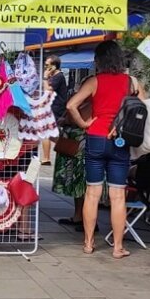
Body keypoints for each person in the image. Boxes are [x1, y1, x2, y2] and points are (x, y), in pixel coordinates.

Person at [65, 40, 145, 258]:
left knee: (92, 193)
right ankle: (118, 247)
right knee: (118, 196)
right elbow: (144, 108)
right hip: (120, 140)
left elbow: (71, 105)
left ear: (98, 60)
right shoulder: (132, 82)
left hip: (96, 137)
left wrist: (83, 123)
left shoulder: (94, 81)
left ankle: (89, 243)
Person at [53, 88, 92, 232]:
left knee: (82, 183)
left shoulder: (90, 105)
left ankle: (84, 217)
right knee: (76, 183)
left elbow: (72, 118)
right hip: (72, 144)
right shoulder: (80, 103)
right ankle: (77, 215)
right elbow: (64, 117)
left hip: (81, 146)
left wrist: (70, 117)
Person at [42, 54, 68, 165]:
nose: (45, 67)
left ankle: (46, 158)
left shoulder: (58, 76)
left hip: (55, 108)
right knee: (53, 134)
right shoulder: (55, 76)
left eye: (47, 65)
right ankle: (65, 151)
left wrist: (44, 77)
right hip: (53, 107)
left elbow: (48, 89)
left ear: (54, 66)